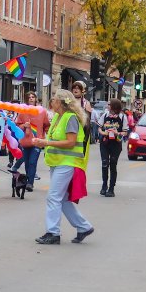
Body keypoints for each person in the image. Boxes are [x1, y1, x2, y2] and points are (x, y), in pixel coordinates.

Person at [31, 90, 94, 245]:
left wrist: (46, 143)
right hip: (58, 162)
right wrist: (42, 141)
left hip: (68, 162)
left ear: (61, 102)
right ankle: (84, 227)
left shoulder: (70, 118)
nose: (52, 102)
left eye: (54, 99)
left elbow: (70, 142)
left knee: (53, 197)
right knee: (63, 199)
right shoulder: (58, 117)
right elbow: (54, 138)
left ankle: (53, 232)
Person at [9, 91, 49, 192]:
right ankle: (27, 181)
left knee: (32, 162)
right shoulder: (22, 112)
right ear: (26, 99)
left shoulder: (42, 111)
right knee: (27, 163)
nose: (31, 99)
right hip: (25, 141)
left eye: (33, 97)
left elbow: (47, 125)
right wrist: (24, 126)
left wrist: (47, 137)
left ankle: (30, 183)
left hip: (37, 141)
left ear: (36, 99)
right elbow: (17, 126)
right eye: (29, 97)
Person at [97, 99, 129, 197]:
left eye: (110, 104)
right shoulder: (105, 115)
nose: (108, 105)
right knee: (105, 163)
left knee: (113, 164)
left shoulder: (123, 117)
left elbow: (125, 132)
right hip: (105, 143)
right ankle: (104, 185)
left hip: (116, 143)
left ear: (114, 106)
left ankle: (111, 188)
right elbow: (99, 127)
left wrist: (117, 133)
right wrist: (103, 133)